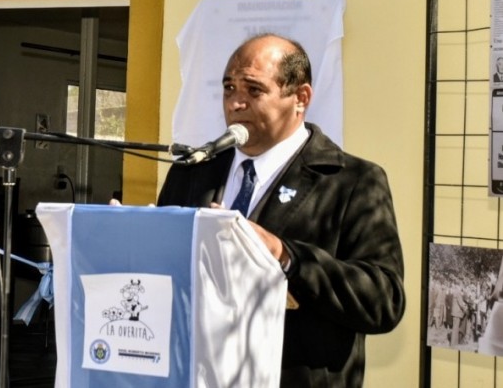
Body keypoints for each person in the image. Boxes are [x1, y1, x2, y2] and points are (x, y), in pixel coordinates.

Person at [157, 33, 406, 387]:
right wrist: (132, 238)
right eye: (229, 88)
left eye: (253, 90)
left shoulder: (352, 182)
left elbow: (384, 300)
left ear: (300, 98)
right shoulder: (192, 173)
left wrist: (286, 256)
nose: (236, 103)